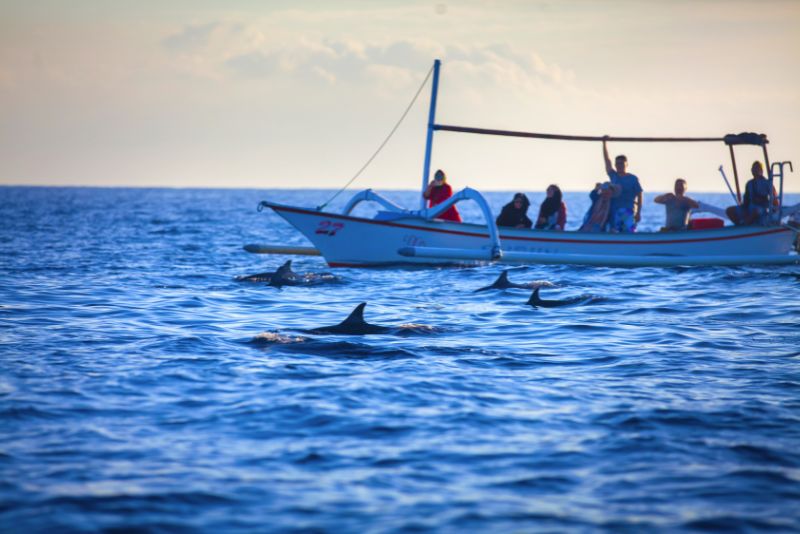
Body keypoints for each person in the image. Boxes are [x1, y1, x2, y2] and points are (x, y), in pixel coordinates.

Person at [603, 138, 643, 232]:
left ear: (626, 164)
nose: (619, 165)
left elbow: (640, 195)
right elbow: (607, 161)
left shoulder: (633, 178)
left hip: (628, 211)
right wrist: (604, 143)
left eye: (621, 163)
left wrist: (639, 213)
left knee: (629, 232)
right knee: (613, 232)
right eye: (617, 164)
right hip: (614, 211)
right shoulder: (613, 176)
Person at [725, 161, 779, 226]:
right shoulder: (749, 184)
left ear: (761, 170)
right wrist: (743, 208)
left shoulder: (767, 183)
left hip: (762, 209)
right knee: (729, 210)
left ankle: (746, 226)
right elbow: (746, 200)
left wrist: (774, 210)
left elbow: (775, 199)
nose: (755, 170)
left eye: (757, 168)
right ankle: (739, 225)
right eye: (753, 168)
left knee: (755, 211)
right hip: (750, 207)